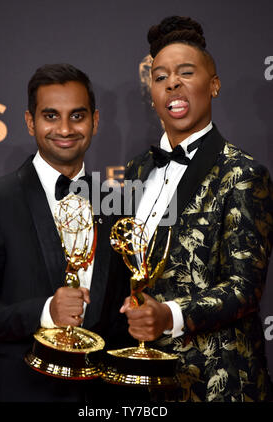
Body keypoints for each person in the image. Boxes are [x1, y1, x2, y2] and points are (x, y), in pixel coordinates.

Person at [120, 16, 273, 401]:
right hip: (150, 383)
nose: (172, 82)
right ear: (152, 91)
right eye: (160, 76)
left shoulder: (243, 172)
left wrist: (167, 315)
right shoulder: (139, 168)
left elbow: (244, 288)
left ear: (214, 85)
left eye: (186, 72)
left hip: (219, 385)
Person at [0, 63, 131, 402]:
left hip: (99, 398)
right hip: (23, 392)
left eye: (77, 116)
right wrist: (46, 312)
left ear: (95, 121)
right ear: (30, 122)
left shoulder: (115, 203)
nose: (64, 128)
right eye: (50, 116)